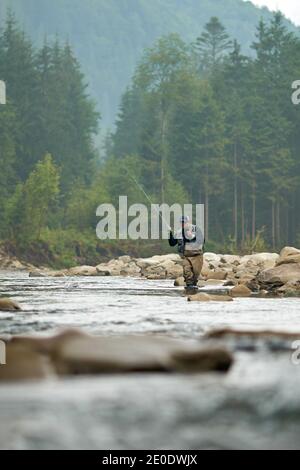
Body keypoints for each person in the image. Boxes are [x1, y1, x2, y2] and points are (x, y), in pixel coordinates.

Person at [169, 216, 205, 291]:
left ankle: (193, 288)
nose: (183, 224)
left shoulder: (196, 229)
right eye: (181, 222)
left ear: (189, 222)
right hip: (186, 256)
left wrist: (191, 237)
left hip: (197, 256)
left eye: (184, 222)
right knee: (187, 271)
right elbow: (172, 243)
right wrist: (170, 234)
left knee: (196, 274)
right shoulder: (179, 232)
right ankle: (189, 286)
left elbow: (201, 241)